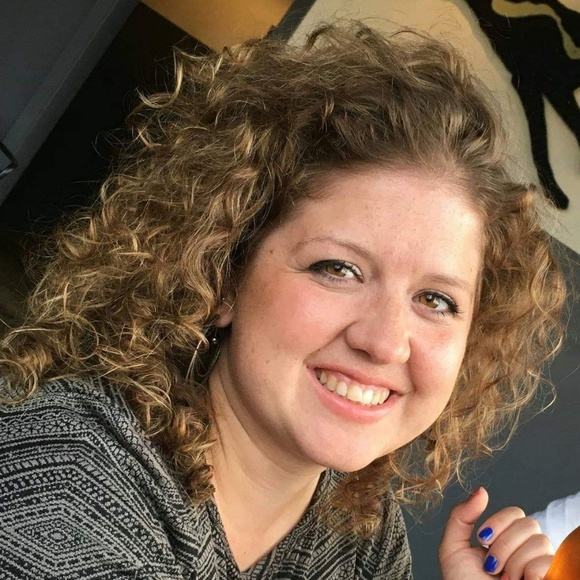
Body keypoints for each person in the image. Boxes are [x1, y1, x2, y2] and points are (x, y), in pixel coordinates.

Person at [0, 22, 566, 579]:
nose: (385, 342)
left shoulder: (359, 537)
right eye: (338, 269)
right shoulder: (64, 481)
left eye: (436, 300)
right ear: (224, 274)